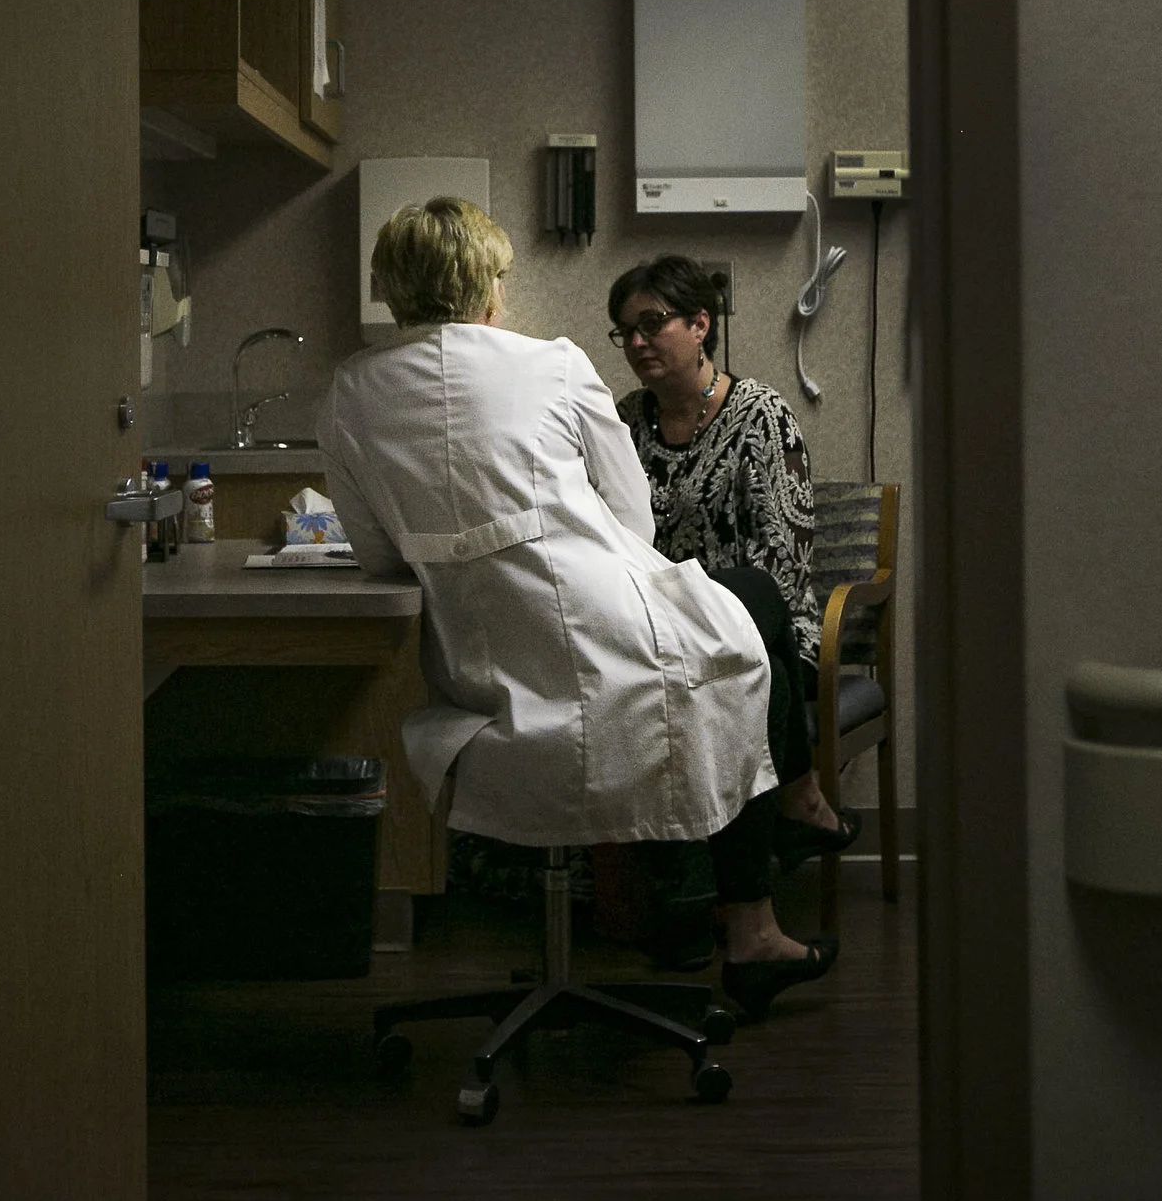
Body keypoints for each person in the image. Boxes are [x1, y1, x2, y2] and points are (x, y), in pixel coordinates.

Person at [319, 199, 834, 1018]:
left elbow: (382, 560)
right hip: (612, 658)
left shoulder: (351, 393)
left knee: (752, 615)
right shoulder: (552, 365)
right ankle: (756, 914)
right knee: (751, 619)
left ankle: (748, 902)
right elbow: (631, 519)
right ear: (485, 285)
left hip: (487, 693)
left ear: (392, 290)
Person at [606, 254, 856, 870]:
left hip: (758, 625)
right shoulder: (624, 420)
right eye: (625, 331)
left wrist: (697, 607)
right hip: (652, 624)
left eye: (652, 323)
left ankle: (703, 894)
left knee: (736, 662)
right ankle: (684, 888)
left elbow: (782, 569)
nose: (637, 342)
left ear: (700, 324)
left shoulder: (760, 415)